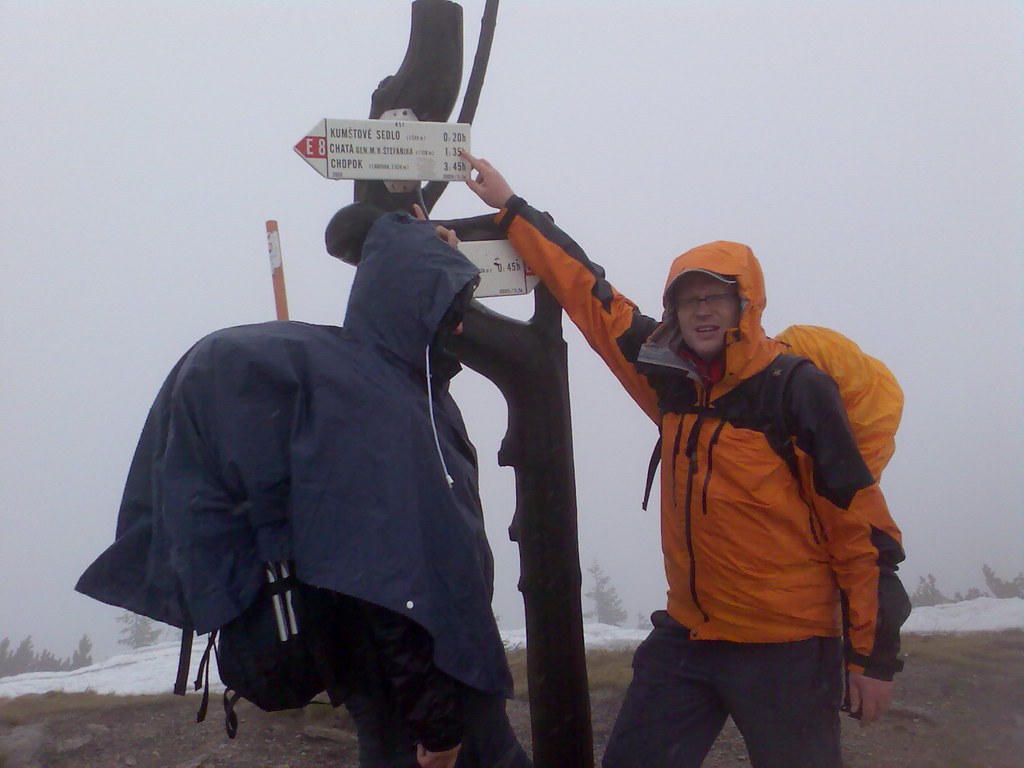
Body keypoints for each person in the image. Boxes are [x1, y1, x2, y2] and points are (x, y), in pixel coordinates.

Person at [461, 152, 911, 768]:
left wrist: (871, 659)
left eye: (717, 298)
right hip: (690, 635)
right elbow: (594, 298)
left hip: (787, 646)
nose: (702, 310)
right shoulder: (669, 379)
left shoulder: (793, 389)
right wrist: (511, 209)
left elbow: (859, 530)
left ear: (745, 306)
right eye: (688, 299)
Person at [76, 207, 532, 768]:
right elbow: (392, 589)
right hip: (419, 689)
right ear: (415, 303)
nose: (459, 324)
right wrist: (436, 725)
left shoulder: (403, 390)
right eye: (452, 306)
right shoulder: (382, 408)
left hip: (422, 677)